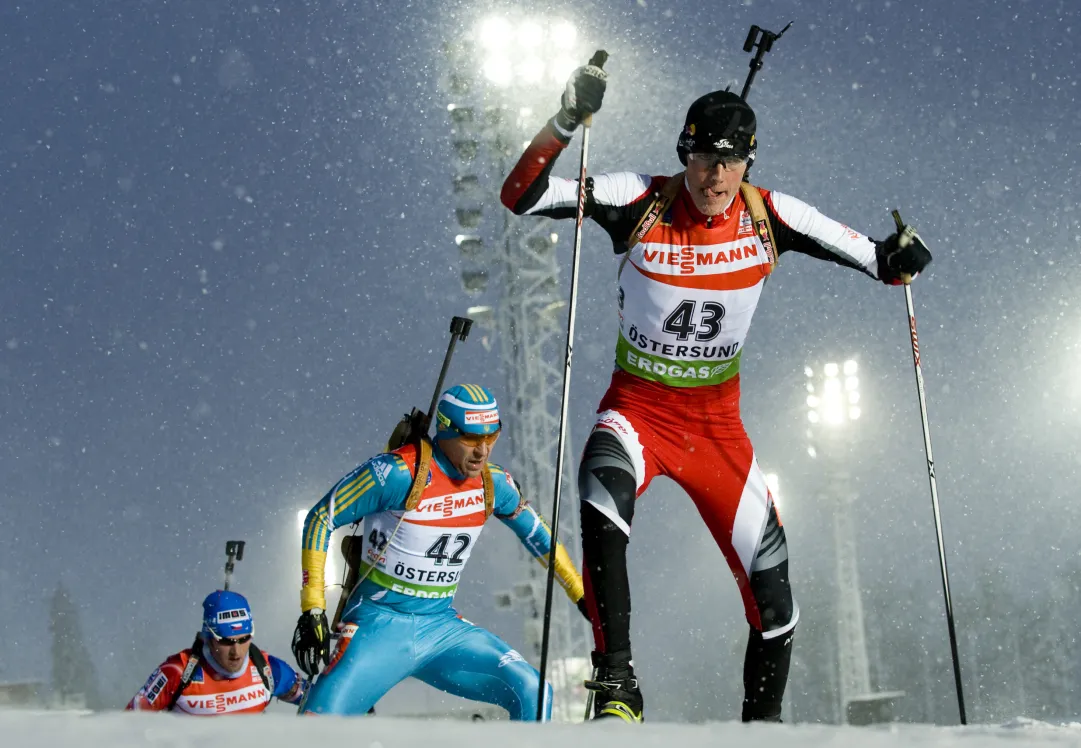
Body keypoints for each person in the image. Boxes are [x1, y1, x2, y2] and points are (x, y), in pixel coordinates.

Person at [500, 65, 933, 723]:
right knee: (599, 501)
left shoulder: (771, 213)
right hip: (637, 412)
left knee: (777, 604)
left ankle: (760, 728)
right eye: (703, 159)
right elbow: (521, 195)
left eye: (729, 163)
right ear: (685, 154)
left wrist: (901, 258)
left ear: (747, 163)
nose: (713, 178)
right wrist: (564, 120)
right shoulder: (636, 197)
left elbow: (879, 262)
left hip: (716, 429)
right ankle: (616, 686)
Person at [291, 384, 589, 719]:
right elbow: (320, 517)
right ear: (445, 429)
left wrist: (581, 594)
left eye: (492, 437)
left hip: (440, 628)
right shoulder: (398, 473)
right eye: (471, 439)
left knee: (533, 691)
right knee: (315, 725)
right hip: (379, 626)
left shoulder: (493, 484)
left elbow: (538, 536)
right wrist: (313, 609)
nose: (483, 451)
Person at [127, 590, 306, 714]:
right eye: (227, 642)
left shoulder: (269, 669)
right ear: (208, 637)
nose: (236, 652)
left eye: (244, 640)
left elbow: (322, 704)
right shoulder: (177, 672)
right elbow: (126, 728)